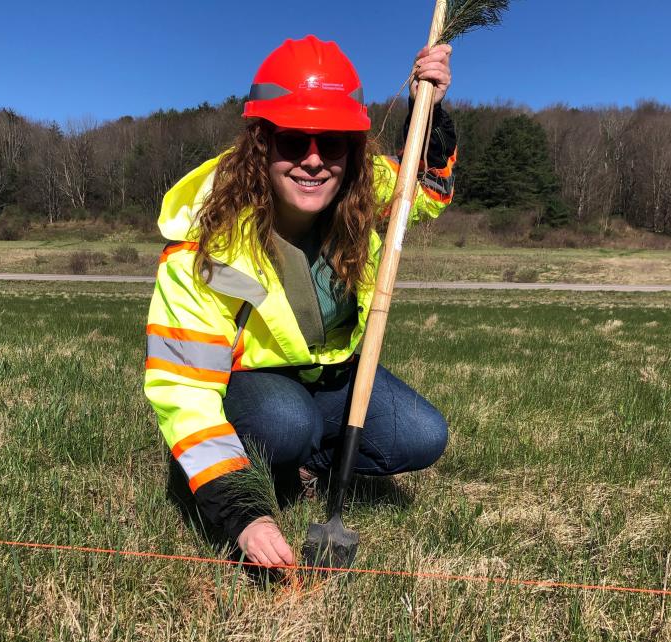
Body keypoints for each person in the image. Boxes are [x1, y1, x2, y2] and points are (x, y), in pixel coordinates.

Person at [144, 36, 457, 568]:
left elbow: (422, 190)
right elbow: (184, 389)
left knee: (424, 436)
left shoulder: (361, 190)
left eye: (332, 142)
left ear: (352, 150)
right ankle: (219, 467)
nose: (313, 161)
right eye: (293, 141)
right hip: (251, 389)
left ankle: (303, 461)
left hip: (330, 377)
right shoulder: (207, 248)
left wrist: (429, 107)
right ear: (262, 144)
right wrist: (242, 513)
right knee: (285, 423)